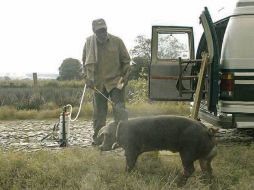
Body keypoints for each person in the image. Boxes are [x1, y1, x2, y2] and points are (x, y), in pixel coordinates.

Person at [82, 18, 131, 145]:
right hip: (97, 84)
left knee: (119, 111)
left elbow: (126, 61)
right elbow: (84, 63)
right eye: (99, 31)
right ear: (94, 31)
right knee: (99, 114)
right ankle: (99, 138)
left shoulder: (117, 41)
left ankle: (123, 139)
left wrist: (125, 77)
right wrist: (87, 78)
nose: (102, 33)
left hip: (116, 82)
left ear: (107, 29)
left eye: (104, 30)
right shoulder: (88, 43)